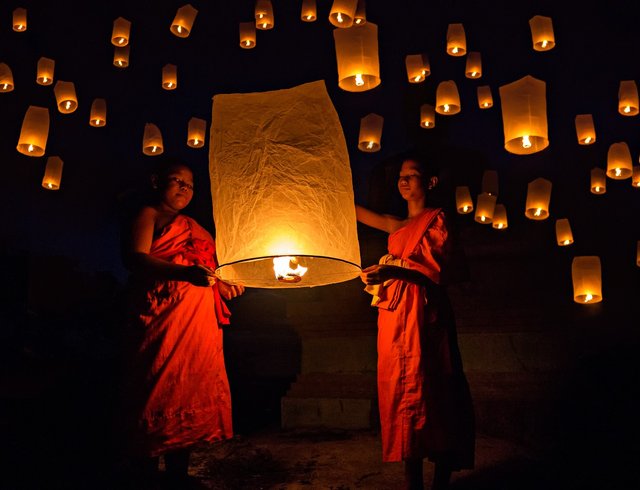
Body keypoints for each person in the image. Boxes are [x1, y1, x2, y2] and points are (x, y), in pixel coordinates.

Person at [117, 157, 245, 489]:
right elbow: (135, 258)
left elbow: (210, 269)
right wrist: (184, 273)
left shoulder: (195, 225)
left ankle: (178, 473)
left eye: (190, 185)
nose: (184, 189)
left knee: (189, 388)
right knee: (156, 386)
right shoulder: (149, 214)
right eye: (177, 181)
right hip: (163, 316)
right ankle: (143, 470)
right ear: (157, 181)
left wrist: (224, 282)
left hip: (198, 322)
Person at [356, 153, 475, 490]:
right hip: (394, 320)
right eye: (400, 176)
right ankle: (412, 482)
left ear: (431, 182)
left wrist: (393, 270)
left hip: (426, 317)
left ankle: (440, 481)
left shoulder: (437, 220)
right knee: (400, 392)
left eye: (413, 175)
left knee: (434, 389)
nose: (404, 181)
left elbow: (435, 273)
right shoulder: (398, 225)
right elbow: (357, 212)